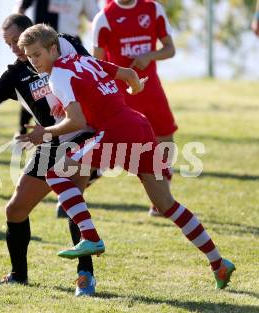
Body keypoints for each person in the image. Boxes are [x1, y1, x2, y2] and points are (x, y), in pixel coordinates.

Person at [17, 24, 236, 289]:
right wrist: (134, 90)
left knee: (55, 172)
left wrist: (46, 132)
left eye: (37, 54)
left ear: (54, 49)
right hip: (139, 125)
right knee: (166, 204)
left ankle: (91, 237)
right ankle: (218, 263)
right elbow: (130, 75)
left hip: (116, 130)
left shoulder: (59, 75)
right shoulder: (84, 60)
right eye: (29, 56)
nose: (33, 61)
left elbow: (77, 121)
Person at [0, 14, 98, 296]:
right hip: (49, 141)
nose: (14, 47)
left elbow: (94, 72)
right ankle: (18, 275)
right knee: (15, 210)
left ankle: (85, 276)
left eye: (16, 41)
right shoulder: (15, 74)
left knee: (72, 203)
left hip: (82, 134)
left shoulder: (65, 45)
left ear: (32, 35)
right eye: (8, 43)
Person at [92, 0, 177, 216]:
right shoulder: (104, 18)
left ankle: (161, 201)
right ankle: (72, 193)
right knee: (113, 151)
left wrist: (150, 55)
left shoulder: (152, 9)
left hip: (152, 89)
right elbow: (96, 65)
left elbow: (170, 49)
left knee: (165, 137)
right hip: (120, 96)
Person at [15, 0, 100, 155]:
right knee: (36, 89)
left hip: (69, 45)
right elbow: (20, 9)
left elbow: (96, 18)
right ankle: (23, 132)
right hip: (39, 49)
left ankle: (86, 135)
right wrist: (24, 36)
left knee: (75, 91)